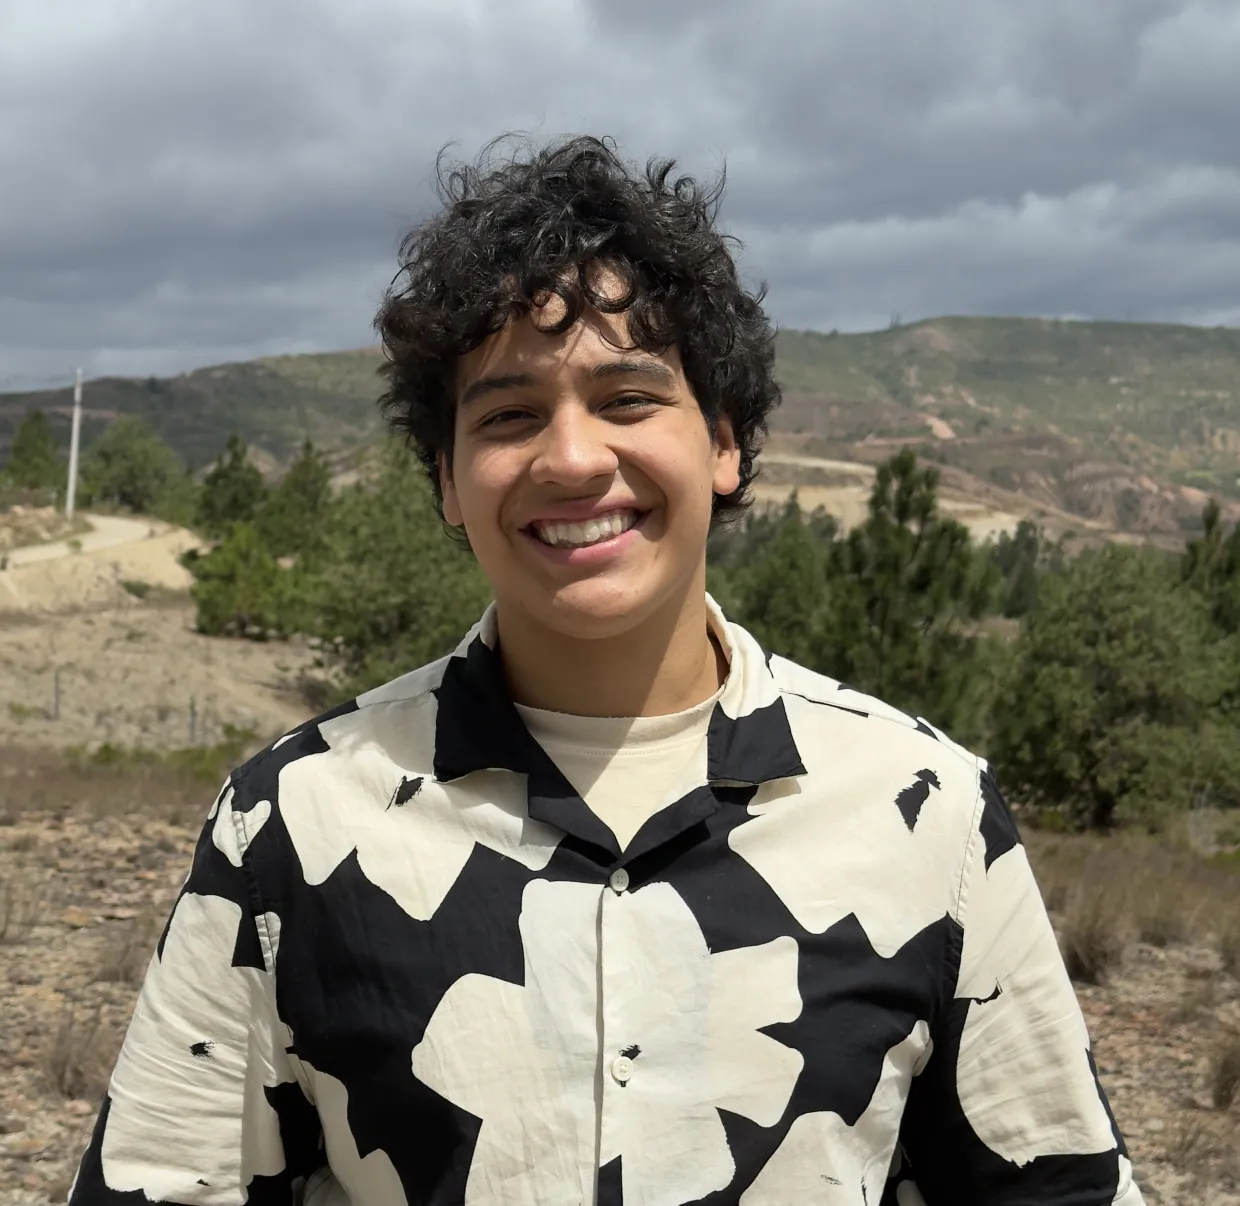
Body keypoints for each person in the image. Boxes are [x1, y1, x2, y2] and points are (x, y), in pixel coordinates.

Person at [70, 135, 1143, 1206]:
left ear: (724, 443)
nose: (574, 459)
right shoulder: (293, 819)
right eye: (508, 415)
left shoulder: (928, 811)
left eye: (628, 399)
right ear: (448, 480)